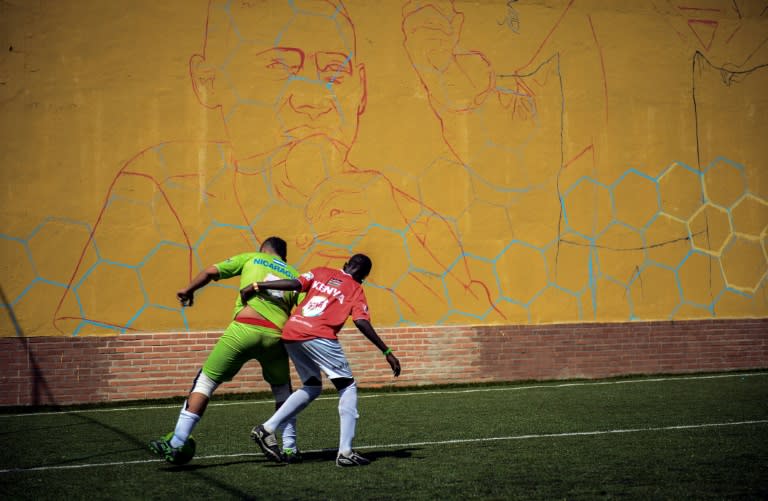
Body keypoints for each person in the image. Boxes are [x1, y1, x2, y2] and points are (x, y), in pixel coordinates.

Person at [149, 236, 303, 464]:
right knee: (283, 392)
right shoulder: (293, 274)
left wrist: (188, 289)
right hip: (275, 337)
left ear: (263, 249)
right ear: (284, 256)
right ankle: (290, 448)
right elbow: (304, 309)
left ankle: (177, 441)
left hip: (244, 329)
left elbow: (211, 272)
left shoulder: (252, 257)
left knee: (205, 382)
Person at [243, 253, 401, 467]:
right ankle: (345, 452)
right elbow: (362, 322)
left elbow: (294, 284)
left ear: (346, 264)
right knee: (347, 386)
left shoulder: (321, 271)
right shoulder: (356, 289)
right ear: (364, 276)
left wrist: (258, 286)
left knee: (312, 386)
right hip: (320, 336)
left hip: (291, 332)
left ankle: (266, 429)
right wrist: (386, 351)